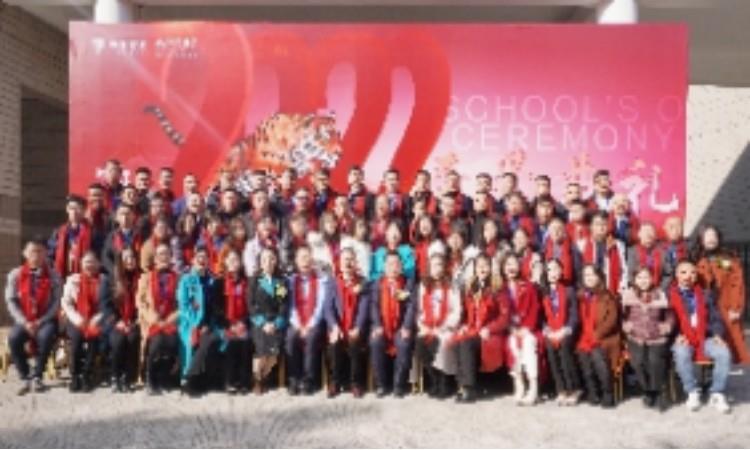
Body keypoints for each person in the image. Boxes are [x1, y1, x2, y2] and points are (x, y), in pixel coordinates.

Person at [669, 259, 732, 413]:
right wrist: (675, 335)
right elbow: (665, 319)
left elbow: (716, 318)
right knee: (681, 352)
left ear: (696, 276)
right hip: (683, 337)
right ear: (677, 275)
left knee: (723, 352)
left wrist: (717, 334)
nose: (688, 276)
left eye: (692, 273)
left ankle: (716, 393)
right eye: (683, 272)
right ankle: (692, 391)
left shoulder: (706, 294)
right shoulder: (669, 295)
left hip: (705, 336)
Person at [5, 239, 62, 395]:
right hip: (24, 319)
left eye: (39, 251)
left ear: (45, 253)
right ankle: (25, 375)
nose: (36, 255)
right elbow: (11, 301)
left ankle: (37, 375)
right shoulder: (15, 275)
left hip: (45, 319)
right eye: (32, 251)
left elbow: (56, 302)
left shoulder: (54, 275)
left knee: (46, 336)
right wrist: (25, 322)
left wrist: (40, 321)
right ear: (25, 253)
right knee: (14, 338)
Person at [453, 254, 509, 403]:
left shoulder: (498, 287)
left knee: (467, 343)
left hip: (490, 332)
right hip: (474, 329)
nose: (482, 269)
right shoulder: (470, 287)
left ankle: (469, 387)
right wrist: (463, 325)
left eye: (485, 266)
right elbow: (465, 313)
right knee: (458, 339)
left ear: (490, 268)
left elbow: (504, 317)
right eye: (479, 266)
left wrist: (490, 328)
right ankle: (461, 386)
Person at [694, 225, 749, 364]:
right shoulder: (695, 259)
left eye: (714, 236)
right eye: (708, 236)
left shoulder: (725, 260)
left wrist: (736, 308)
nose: (711, 239)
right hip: (704, 307)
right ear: (701, 239)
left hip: (725, 305)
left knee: (733, 343)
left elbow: (736, 284)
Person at [621, 267, 674, 411]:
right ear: (634, 280)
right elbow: (622, 316)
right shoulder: (629, 295)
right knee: (638, 362)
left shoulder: (659, 294)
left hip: (656, 336)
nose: (643, 281)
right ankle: (647, 390)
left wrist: (666, 327)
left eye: (646, 277)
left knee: (655, 360)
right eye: (640, 277)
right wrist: (627, 326)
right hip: (636, 336)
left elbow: (669, 315)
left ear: (652, 279)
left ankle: (657, 390)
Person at [415, 253, 463, 399]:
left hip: (446, 327)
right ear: (429, 268)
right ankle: (434, 379)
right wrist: (422, 325)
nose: (437, 268)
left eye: (440, 265)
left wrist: (444, 326)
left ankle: (444, 382)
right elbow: (420, 310)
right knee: (420, 343)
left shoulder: (451, 285)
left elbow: (457, 311)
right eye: (434, 265)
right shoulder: (424, 286)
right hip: (429, 325)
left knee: (442, 343)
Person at [325, 248, 370, 398]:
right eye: (345, 259)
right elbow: (328, 308)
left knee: (354, 342)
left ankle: (355, 383)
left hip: (355, 326)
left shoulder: (363, 282)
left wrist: (358, 327)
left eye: (351, 259)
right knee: (334, 343)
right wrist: (334, 326)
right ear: (339, 262)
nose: (348, 263)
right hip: (337, 326)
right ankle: (335, 382)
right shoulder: (332, 282)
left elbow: (364, 309)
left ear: (355, 262)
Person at [286, 245, 331, 395]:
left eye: (308, 257)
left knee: (312, 337)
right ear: (296, 261)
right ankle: (294, 378)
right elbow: (289, 305)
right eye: (302, 258)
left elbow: (320, 306)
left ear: (312, 260)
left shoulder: (321, 280)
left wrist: (310, 325)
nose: (305, 261)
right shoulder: (290, 281)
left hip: (315, 321)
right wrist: (298, 325)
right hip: (296, 321)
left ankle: (308, 380)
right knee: (291, 337)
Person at [369, 252, 416, 397]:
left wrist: (406, 327)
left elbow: (411, 306)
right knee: (376, 341)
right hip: (382, 325)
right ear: (384, 266)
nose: (393, 267)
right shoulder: (377, 284)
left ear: (401, 266)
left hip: (400, 326)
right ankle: (381, 385)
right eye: (390, 264)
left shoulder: (408, 283)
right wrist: (377, 325)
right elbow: (374, 306)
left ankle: (399, 385)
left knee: (404, 343)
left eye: (396, 264)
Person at [61, 251, 109, 392]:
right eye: (86, 262)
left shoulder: (104, 280)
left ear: (98, 264)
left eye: (92, 261)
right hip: (77, 319)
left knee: (94, 338)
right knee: (76, 339)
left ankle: (87, 374)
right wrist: (78, 319)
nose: (90, 264)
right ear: (81, 264)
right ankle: (75, 375)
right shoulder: (73, 280)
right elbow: (66, 303)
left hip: (97, 319)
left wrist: (97, 318)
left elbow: (107, 304)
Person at [177, 246, 222, 395]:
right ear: (193, 260)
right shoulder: (186, 280)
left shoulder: (212, 280)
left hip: (210, 324)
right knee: (206, 340)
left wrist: (209, 324)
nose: (202, 260)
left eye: (205, 257)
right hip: (191, 323)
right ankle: (189, 377)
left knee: (224, 339)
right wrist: (199, 324)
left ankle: (203, 379)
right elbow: (184, 306)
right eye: (199, 257)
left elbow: (215, 307)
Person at [137, 242, 179, 395]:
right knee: (157, 342)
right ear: (155, 258)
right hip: (152, 321)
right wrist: (152, 317)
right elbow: (140, 301)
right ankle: (151, 379)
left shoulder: (177, 277)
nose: (163, 257)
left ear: (171, 257)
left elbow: (182, 303)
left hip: (170, 320)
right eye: (160, 254)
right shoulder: (146, 277)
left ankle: (165, 378)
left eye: (166, 253)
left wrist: (171, 318)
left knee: (172, 341)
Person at [498, 253, 540, 406]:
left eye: (514, 264)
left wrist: (527, 328)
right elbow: (500, 314)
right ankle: (519, 383)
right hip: (510, 329)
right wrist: (511, 328)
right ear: (503, 268)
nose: (511, 268)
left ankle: (533, 386)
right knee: (512, 344)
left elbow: (535, 309)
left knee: (528, 343)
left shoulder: (528, 286)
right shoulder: (500, 288)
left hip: (528, 328)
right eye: (508, 264)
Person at [576, 264, 620, 408]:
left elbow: (612, 320)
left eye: (592, 274)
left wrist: (597, 335)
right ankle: (593, 392)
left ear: (599, 277)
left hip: (605, 336)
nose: (589, 278)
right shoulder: (581, 296)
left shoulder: (608, 296)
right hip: (585, 335)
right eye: (586, 275)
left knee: (597, 353)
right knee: (582, 353)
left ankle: (608, 392)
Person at [541, 259, 581, 406]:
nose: (553, 273)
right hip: (551, 330)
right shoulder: (543, 292)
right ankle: (561, 389)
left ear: (561, 271)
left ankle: (574, 388)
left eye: (556, 269)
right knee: (550, 349)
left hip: (566, 330)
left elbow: (574, 316)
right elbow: (541, 317)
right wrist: (548, 331)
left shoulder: (569, 291)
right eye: (549, 269)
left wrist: (565, 330)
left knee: (564, 348)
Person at [249, 248, 289, 395]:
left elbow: (283, 304)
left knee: (274, 352)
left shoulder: (280, 282)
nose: (268, 262)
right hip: (259, 322)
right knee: (261, 348)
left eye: (271, 258)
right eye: (265, 259)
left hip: (275, 321)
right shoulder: (254, 281)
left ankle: (263, 376)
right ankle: (257, 381)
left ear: (276, 260)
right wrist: (263, 323)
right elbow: (251, 305)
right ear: (260, 262)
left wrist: (276, 323)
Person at [105, 247, 141, 392]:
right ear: (120, 261)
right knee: (118, 340)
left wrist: (136, 321)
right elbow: (106, 305)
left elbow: (145, 302)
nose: (130, 260)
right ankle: (115, 376)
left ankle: (128, 377)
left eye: (132, 257)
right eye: (126, 258)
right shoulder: (112, 279)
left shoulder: (141, 278)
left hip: (135, 320)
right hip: (116, 321)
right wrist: (118, 321)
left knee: (133, 338)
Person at [218, 249, 252, 394]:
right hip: (225, 323)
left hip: (244, 322)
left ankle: (244, 381)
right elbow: (216, 307)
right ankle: (230, 381)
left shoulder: (247, 282)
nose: (233, 262)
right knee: (231, 342)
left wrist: (243, 322)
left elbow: (251, 305)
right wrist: (229, 324)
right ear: (225, 262)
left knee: (245, 341)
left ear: (241, 262)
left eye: (236, 259)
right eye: (230, 259)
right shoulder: (220, 282)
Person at [48, 195, 93, 280]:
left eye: (78, 208)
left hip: (84, 275)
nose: (74, 212)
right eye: (71, 208)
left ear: (84, 210)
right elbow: (51, 253)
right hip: (62, 275)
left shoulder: (92, 232)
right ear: (67, 210)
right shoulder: (59, 232)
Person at [627, 222, 672, 291]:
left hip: (658, 291)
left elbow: (668, 274)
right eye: (645, 231)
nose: (648, 234)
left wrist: (660, 289)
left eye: (651, 231)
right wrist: (638, 290)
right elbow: (630, 274)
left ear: (655, 236)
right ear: (639, 234)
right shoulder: (631, 251)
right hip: (637, 290)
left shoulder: (663, 252)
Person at [102, 204, 142, 275]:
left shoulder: (140, 234)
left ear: (133, 216)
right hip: (117, 274)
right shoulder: (112, 236)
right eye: (122, 214)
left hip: (137, 273)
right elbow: (106, 257)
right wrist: (115, 271)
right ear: (117, 217)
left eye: (128, 214)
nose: (125, 217)